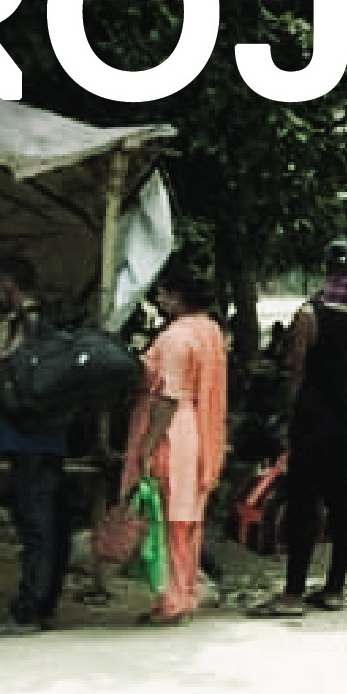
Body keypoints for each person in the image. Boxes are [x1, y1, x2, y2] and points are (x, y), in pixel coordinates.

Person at [250, 241, 347, 618]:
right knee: (343, 502)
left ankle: (293, 592)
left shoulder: (309, 314)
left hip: (313, 418)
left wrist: (289, 414)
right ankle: (335, 587)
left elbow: (297, 370)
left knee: (303, 500)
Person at [119, 265, 229, 624]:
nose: (160, 300)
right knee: (186, 521)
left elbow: (168, 396)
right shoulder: (209, 330)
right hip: (198, 428)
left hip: (171, 431)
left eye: (164, 294)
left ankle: (171, 599)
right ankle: (183, 594)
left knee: (167, 518)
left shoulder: (176, 338)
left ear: (177, 298)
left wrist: (146, 446)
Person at [0, 257, 69, 639]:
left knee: (35, 526)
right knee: (47, 524)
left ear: (10, 284)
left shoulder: (26, 325)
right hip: (47, 439)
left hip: (31, 440)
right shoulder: (46, 322)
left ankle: (29, 609)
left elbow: (6, 368)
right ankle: (44, 604)